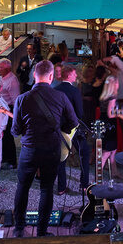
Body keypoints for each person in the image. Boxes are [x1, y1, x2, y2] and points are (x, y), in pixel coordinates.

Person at [12, 60, 78, 237]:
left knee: (23, 186)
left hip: (29, 149)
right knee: (47, 188)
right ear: (51, 76)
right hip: (51, 149)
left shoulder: (22, 99)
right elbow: (73, 123)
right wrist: (58, 128)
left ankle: (19, 228)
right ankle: (41, 231)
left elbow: (15, 130)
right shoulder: (61, 97)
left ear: (34, 74)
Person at [55, 64, 89, 193]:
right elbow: (79, 113)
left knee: (62, 158)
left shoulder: (56, 89)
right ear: (69, 75)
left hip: (59, 128)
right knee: (84, 154)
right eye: (74, 74)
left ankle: (61, 187)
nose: (76, 76)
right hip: (73, 128)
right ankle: (84, 185)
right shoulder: (74, 91)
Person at [0, 58, 20, 169]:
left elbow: (16, 101)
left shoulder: (12, 80)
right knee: (3, 136)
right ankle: (4, 158)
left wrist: (14, 117)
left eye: (1, 67)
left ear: (8, 68)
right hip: (1, 110)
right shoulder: (2, 78)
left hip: (9, 110)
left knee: (8, 137)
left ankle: (12, 161)